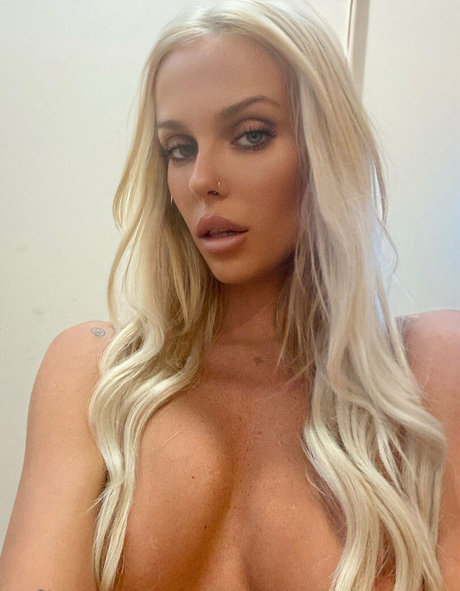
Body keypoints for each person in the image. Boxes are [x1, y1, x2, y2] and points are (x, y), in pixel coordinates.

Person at [0, 0, 458, 590]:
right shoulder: (94, 378)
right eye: (179, 148)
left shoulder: (432, 373)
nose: (201, 180)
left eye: (250, 135)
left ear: (327, 148)